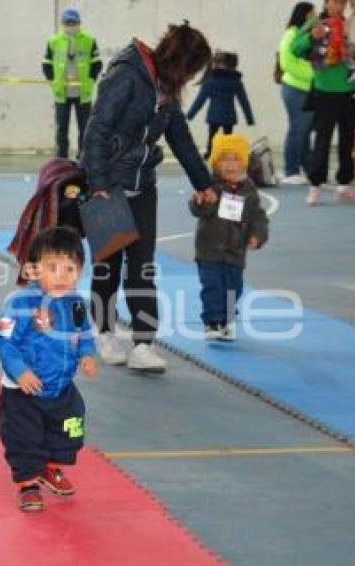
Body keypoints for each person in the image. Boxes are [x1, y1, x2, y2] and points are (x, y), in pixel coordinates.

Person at [80, 22, 217, 372]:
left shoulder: (166, 89)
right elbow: (97, 129)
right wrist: (97, 182)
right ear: (177, 60)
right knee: (107, 265)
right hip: (107, 183)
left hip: (143, 184)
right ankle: (104, 330)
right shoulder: (127, 75)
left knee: (142, 266)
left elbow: (180, 138)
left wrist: (204, 182)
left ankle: (143, 342)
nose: (189, 79)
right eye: (190, 70)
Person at [0, 226, 98, 512]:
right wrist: (20, 372)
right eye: (53, 268)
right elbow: (5, 342)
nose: (63, 276)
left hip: (61, 386)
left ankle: (51, 467)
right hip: (26, 387)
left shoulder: (76, 302)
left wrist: (87, 354)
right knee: (24, 436)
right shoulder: (21, 302)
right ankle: (28, 484)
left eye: (70, 269)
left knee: (69, 429)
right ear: (33, 270)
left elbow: (84, 333)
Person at [293, 0, 355, 205]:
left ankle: (344, 185)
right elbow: (295, 49)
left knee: (347, 140)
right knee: (322, 140)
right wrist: (312, 37)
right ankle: (315, 186)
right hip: (324, 92)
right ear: (326, 4)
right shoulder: (315, 24)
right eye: (333, 2)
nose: (337, 7)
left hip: (350, 93)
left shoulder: (353, 26)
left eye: (341, 3)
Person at [189, 133, 268, 342]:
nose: (230, 164)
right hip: (209, 250)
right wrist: (202, 201)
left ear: (244, 163)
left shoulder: (249, 190)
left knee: (234, 289)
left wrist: (257, 236)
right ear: (215, 162)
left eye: (235, 159)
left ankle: (227, 321)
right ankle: (212, 322)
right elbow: (197, 209)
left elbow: (258, 217)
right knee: (212, 287)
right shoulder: (209, 185)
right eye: (224, 159)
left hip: (235, 251)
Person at [42, 7, 102, 159]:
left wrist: (90, 81)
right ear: (62, 24)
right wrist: (53, 81)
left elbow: (97, 63)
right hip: (62, 93)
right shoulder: (53, 42)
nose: (70, 25)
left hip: (83, 93)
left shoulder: (89, 41)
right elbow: (46, 63)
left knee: (85, 128)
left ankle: (83, 157)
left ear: (79, 23)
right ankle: (62, 158)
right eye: (67, 22)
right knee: (62, 129)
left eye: (73, 22)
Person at [186, 50, 255, 159]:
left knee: (212, 136)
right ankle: (226, 154)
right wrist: (249, 118)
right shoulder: (235, 81)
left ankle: (210, 153)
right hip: (229, 115)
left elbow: (200, 100)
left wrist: (190, 115)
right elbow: (244, 101)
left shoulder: (210, 80)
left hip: (214, 114)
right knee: (228, 136)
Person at [278, 2, 317, 185]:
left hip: (307, 89)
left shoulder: (306, 35)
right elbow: (286, 62)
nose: (314, 17)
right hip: (295, 88)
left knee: (305, 130)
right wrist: (313, 74)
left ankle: (308, 169)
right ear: (304, 15)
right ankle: (291, 170)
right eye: (312, 14)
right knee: (297, 129)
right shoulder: (291, 34)